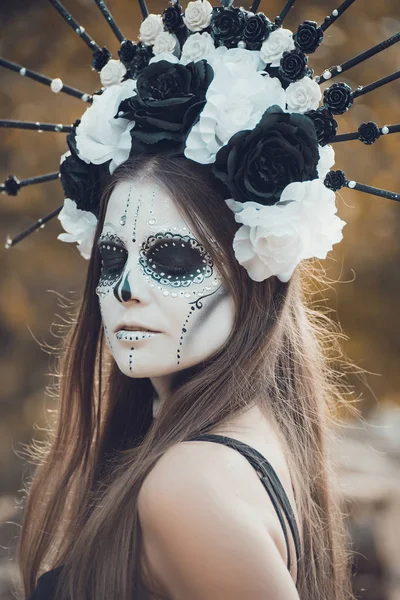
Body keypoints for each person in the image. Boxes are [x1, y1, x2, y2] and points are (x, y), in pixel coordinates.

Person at [5, 0, 398, 599]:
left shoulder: (189, 482)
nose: (125, 289)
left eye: (173, 258)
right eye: (112, 258)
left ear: (253, 267)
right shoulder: (248, 436)